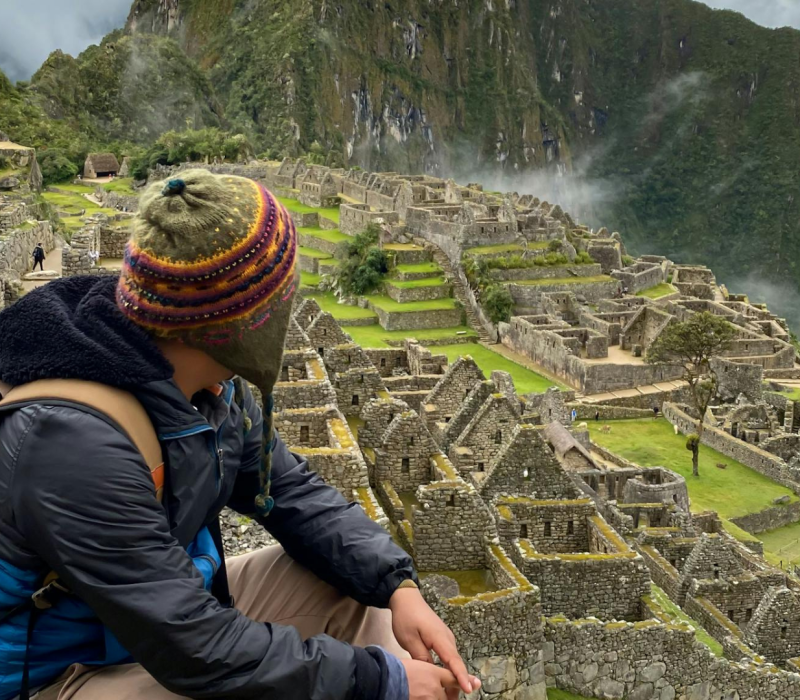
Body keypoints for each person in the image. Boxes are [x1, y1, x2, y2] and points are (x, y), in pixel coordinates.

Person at [0, 171, 480, 700]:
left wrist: (396, 584)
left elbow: (291, 492)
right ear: (241, 321)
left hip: (146, 622)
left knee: (352, 591)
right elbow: (192, 647)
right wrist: (379, 680)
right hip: (50, 672)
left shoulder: (210, 390)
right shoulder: (72, 443)